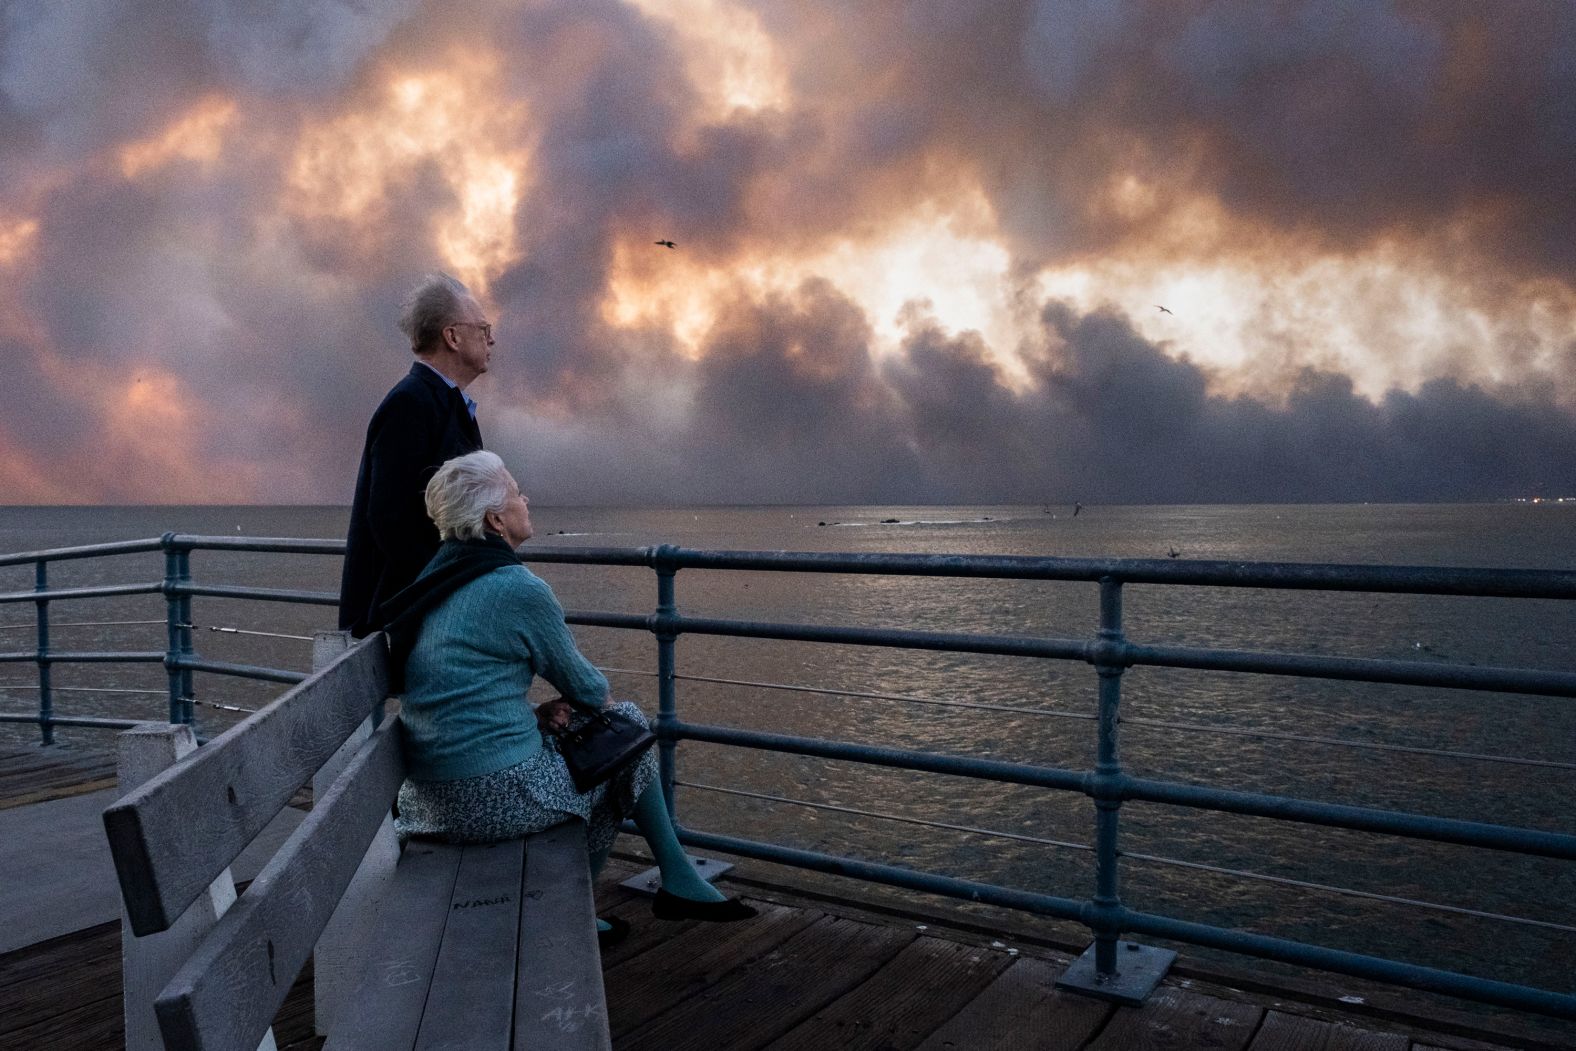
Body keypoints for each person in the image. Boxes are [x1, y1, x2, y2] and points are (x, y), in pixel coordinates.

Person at [378, 451, 756, 941]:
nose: (525, 499)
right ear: (496, 519)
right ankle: (647, 887)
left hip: (428, 796)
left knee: (614, 749)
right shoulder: (515, 587)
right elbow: (590, 690)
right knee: (627, 734)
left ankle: (640, 889)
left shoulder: (436, 579)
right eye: (516, 492)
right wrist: (569, 705)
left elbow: (457, 690)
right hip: (486, 799)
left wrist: (535, 715)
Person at [339, 273, 491, 638]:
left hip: (429, 604)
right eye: (483, 328)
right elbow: (389, 517)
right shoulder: (411, 403)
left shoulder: (442, 403)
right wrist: (443, 587)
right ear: (452, 337)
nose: (491, 338)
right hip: (410, 610)